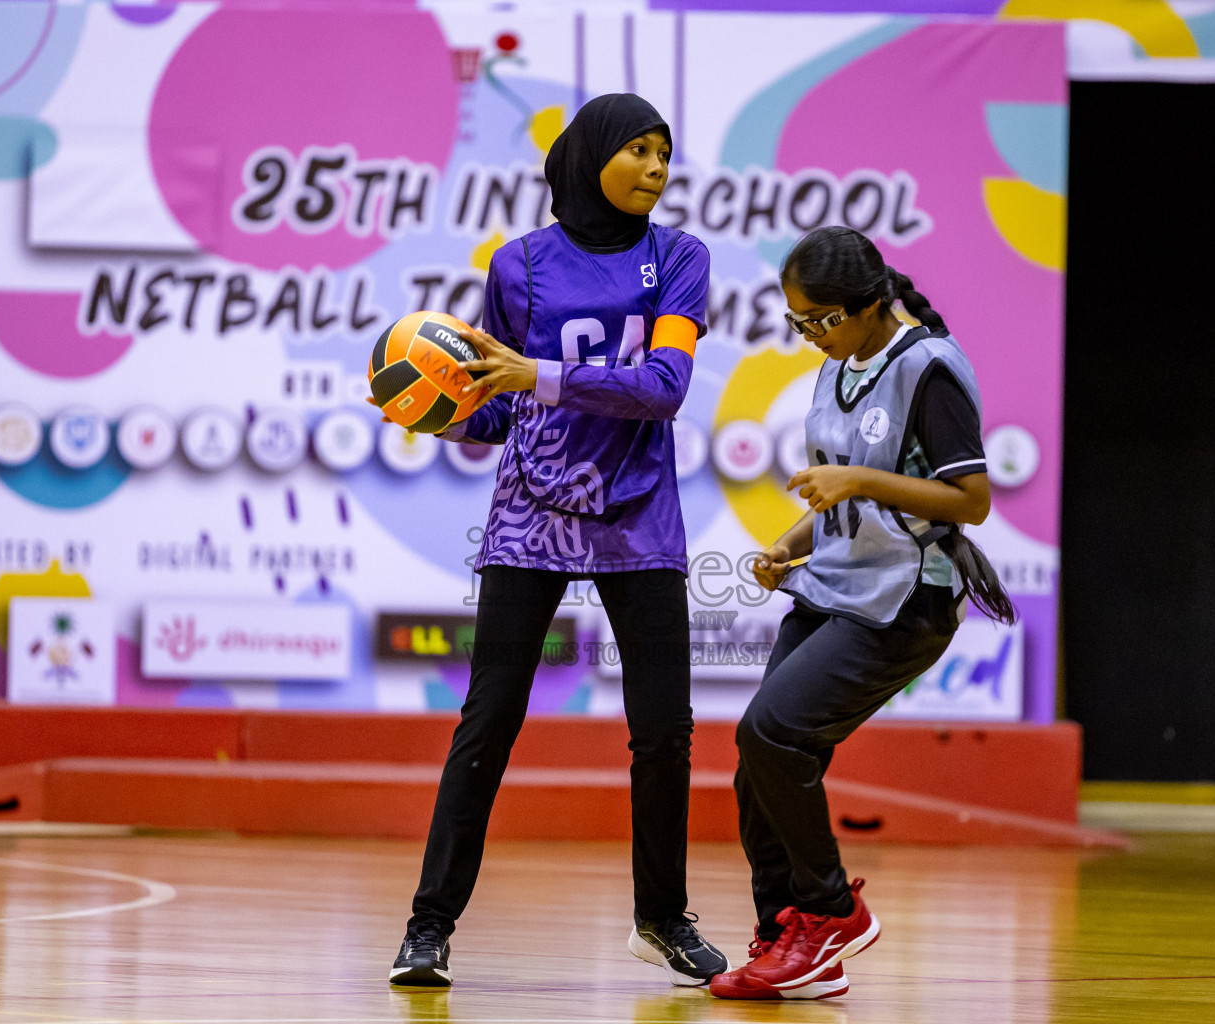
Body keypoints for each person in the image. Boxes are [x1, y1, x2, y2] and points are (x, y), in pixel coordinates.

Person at [388, 93, 727, 989]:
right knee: (488, 719)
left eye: (664, 152)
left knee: (663, 733)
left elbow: (662, 388)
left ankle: (662, 919)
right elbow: (500, 403)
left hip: (640, 512)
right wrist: (439, 409)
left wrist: (534, 375)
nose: (657, 167)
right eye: (639, 151)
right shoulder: (520, 266)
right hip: (529, 514)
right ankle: (428, 930)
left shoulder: (680, 259)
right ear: (590, 159)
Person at [708, 226, 1016, 1001]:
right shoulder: (841, 365)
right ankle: (790, 935)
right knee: (760, 762)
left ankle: (831, 912)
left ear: (869, 305)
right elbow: (848, 485)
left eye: (819, 320)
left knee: (771, 733)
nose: (809, 334)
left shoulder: (931, 370)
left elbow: (969, 501)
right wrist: (790, 542)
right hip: (834, 587)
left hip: (903, 603)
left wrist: (855, 483)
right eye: (797, 321)